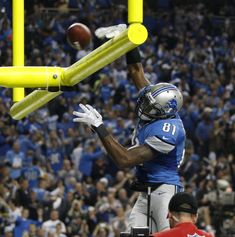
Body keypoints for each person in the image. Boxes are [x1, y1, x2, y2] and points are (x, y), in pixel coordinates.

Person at [73, 47, 186, 232]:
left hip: (164, 191)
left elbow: (124, 159)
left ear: (164, 112)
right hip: (145, 191)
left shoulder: (169, 130)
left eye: (151, 106)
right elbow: (135, 70)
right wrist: (128, 42)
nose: (144, 106)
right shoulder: (156, 102)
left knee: (170, 235)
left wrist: (100, 128)